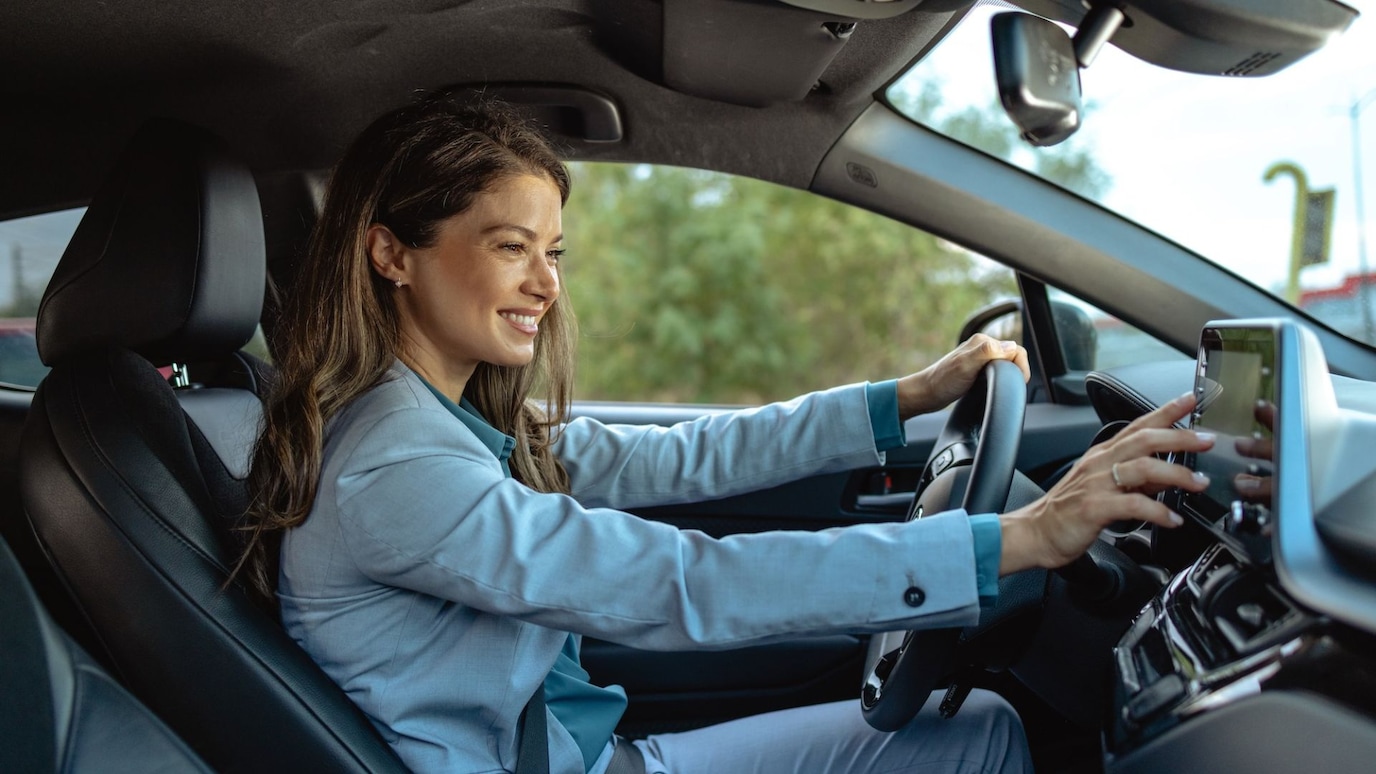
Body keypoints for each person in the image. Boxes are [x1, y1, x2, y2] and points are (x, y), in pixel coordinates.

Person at [237, 94, 1214, 774]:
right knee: (986, 737)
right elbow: (687, 584)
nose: (546, 285)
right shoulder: (399, 466)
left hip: (577, 752)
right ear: (390, 254)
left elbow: (688, 454)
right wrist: (1020, 536)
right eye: (509, 247)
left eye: (553, 252)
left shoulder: (444, 422)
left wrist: (907, 397)